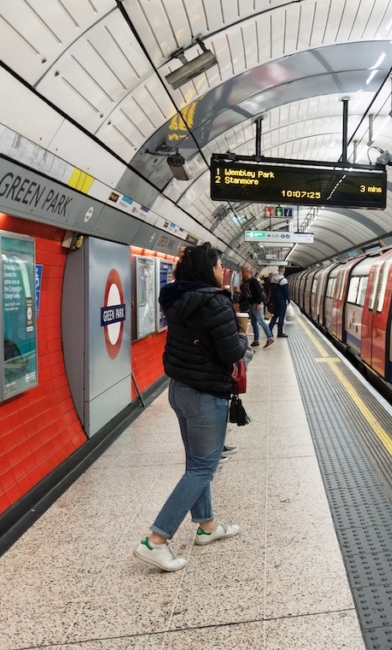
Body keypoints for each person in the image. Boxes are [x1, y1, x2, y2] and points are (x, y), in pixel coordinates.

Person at [133, 244, 247, 572]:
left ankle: (207, 526)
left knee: (196, 463)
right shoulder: (216, 302)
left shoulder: (176, 298)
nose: (221, 269)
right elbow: (230, 352)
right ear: (206, 268)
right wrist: (242, 337)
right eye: (219, 264)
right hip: (205, 393)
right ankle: (155, 540)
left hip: (179, 389)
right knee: (202, 468)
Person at [240, 266, 274, 348]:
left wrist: (259, 303)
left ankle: (269, 337)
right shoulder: (246, 282)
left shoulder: (253, 281)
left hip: (256, 304)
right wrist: (239, 302)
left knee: (261, 321)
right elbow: (246, 295)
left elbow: (259, 292)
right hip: (252, 304)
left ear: (248, 272)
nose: (242, 274)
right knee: (253, 322)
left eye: (243, 272)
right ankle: (256, 340)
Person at [268, 266, 291, 338]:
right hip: (281, 301)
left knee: (275, 316)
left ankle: (269, 331)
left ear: (278, 270)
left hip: (274, 300)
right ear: (283, 271)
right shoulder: (284, 280)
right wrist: (288, 299)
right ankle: (280, 333)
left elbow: (270, 289)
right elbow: (286, 292)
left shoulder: (273, 279)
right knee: (281, 317)